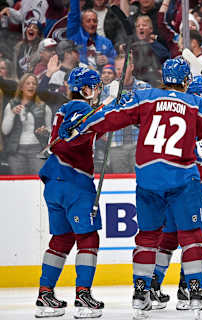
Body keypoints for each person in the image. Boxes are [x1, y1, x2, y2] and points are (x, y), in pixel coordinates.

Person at [59, 57, 202, 319]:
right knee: (192, 236)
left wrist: (81, 125)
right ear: (185, 81)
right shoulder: (195, 103)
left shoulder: (145, 97)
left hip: (148, 179)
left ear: (163, 76)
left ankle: (140, 295)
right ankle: (194, 293)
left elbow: (111, 118)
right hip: (182, 179)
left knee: (147, 237)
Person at [34, 67, 105, 318]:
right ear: (85, 88)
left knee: (62, 240)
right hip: (74, 182)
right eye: (94, 87)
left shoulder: (64, 109)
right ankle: (83, 296)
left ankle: (45, 295)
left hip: (54, 181)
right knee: (88, 239)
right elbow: (88, 129)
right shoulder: (82, 108)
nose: (96, 91)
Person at [150, 76, 202, 312]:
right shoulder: (190, 116)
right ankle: (187, 288)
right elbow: (178, 149)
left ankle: (153, 286)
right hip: (187, 188)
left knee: (169, 237)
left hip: (174, 188)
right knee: (196, 236)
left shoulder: (191, 115)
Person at [1, 73, 52, 175]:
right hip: (16, 151)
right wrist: (12, 113)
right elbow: (5, 131)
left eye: (34, 83)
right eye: (27, 83)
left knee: (38, 183)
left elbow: (51, 132)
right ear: (21, 87)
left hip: (37, 149)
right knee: (19, 184)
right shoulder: (11, 105)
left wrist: (44, 131)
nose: (31, 86)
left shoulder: (44, 107)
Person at [67, 0, 117, 70]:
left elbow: (117, 62)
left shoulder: (106, 42)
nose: (92, 24)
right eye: (88, 21)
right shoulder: (75, 37)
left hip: (101, 78)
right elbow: (73, 14)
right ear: (82, 23)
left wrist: (108, 60)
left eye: (94, 21)